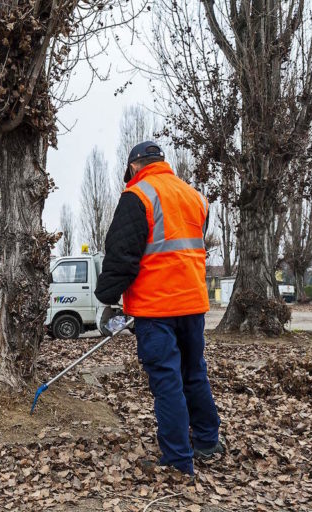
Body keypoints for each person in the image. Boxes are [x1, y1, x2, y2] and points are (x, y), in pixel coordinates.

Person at [94, 141, 224, 476]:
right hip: (193, 304)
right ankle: (208, 441)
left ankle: (179, 459)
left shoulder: (137, 196)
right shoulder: (195, 197)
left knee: (167, 382)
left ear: (134, 168)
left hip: (156, 310)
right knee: (194, 374)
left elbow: (122, 254)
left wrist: (107, 299)